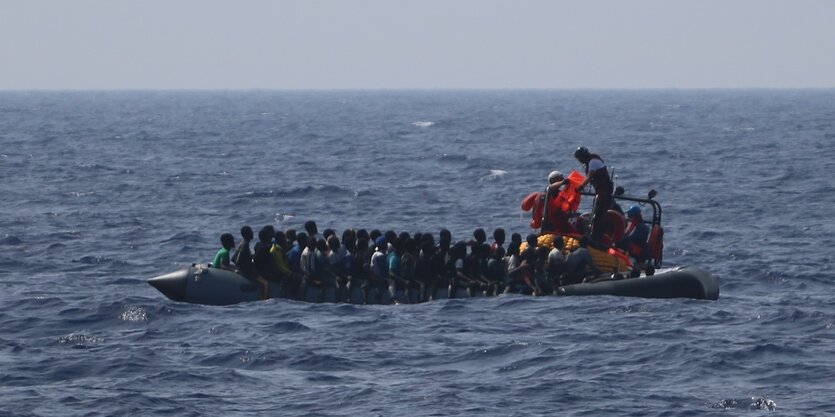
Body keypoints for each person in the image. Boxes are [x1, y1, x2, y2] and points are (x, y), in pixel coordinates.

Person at [573, 146, 615, 244]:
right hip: (601, 190)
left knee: (599, 212)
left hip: (603, 190)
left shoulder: (592, 162)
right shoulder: (592, 160)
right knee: (598, 209)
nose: (579, 161)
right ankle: (596, 232)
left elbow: (589, 176)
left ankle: (596, 235)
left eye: (579, 159)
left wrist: (581, 186)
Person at [232, 225, 269, 299]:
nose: (253, 233)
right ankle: (264, 299)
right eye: (251, 232)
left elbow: (233, 258)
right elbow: (239, 259)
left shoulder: (242, 243)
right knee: (265, 283)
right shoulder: (245, 245)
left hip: (243, 269)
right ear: (248, 234)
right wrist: (243, 269)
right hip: (246, 272)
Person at [543, 170, 575, 235]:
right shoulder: (548, 190)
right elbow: (550, 187)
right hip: (553, 221)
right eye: (559, 179)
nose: (561, 179)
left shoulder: (560, 192)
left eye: (561, 178)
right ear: (552, 180)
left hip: (561, 218)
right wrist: (562, 182)